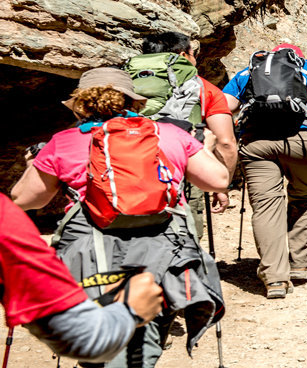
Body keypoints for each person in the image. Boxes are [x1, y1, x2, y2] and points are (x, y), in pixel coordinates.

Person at [10, 67, 229, 368]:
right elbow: (217, 180)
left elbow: (24, 200)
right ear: (133, 102)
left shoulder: (62, 142)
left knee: (99, 331)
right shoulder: (168, 134)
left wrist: (35, 164)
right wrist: (207, 149)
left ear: (80, 105)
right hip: (161, 245)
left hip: (92, 250)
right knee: (148, 330)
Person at [222, 44, 307, 299]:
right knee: (305, 198)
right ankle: (300, 265)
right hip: (304, 142)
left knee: (266, 207)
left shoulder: (249, 71)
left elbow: (225, 105)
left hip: (256, 144)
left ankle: (275, 278)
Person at [1, 194, 163, 364]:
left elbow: (23, 195)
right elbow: (83, 338)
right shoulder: (4, 215)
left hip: (82, 242)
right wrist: (130, 311)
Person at [139, 32, 238, 239]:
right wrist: (221, 185)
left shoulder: (125, 80)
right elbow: (226, 142)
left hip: (128, 160)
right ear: (184, 55)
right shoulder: (204, 88)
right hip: (185, 166)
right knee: (185, 234)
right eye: (194, 53)